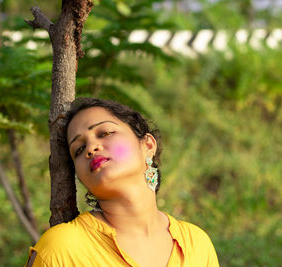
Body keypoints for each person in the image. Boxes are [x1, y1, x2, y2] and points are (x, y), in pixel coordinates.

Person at [25, 98, 219, 267]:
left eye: (105, 133)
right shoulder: (60, 250)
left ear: (148, 145)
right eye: (79, 149)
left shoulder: (196, 245)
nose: (91, 148)